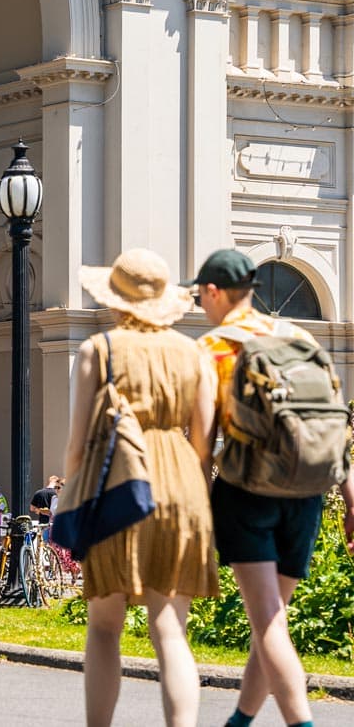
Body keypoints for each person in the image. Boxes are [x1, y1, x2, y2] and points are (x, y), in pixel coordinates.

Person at [191, 248, 354, 727]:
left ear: (216, 292)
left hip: (248, 492)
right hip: (305, 493)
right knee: (274, 619)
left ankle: (300, 723)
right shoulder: (299, 337)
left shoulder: (213, 348)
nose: (201, 304)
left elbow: (201, 445)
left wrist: (200, 514)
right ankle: (239, 721)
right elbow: (332, 424)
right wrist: (349, 496)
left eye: (201, 294)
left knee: (266, 619)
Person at [71, 248, 219, 727]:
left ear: (116, 299)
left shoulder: (100, 348)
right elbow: (202, 441)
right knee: (171, 631)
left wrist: (71, 498)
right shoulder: (193, 352)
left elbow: (78, 444)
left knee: (104, 626)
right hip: (181, 484)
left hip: (118, 481)